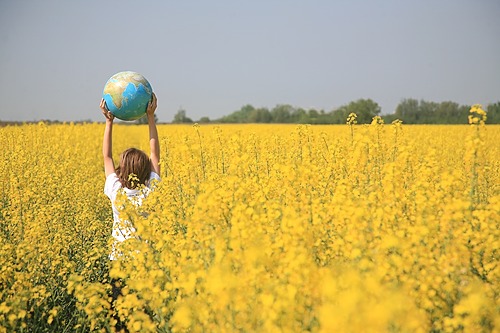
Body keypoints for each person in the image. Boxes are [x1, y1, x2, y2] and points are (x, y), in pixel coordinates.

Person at [100, 93, 160, 332]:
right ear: (146, 171)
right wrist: (150, 117)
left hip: (119, 261)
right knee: (144, 318)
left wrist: (109, 122)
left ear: (122, 170)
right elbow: (155, 155)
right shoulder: (151, 191)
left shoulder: (116, 191)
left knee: (118, 319)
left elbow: (106, 156)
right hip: (145, 262)